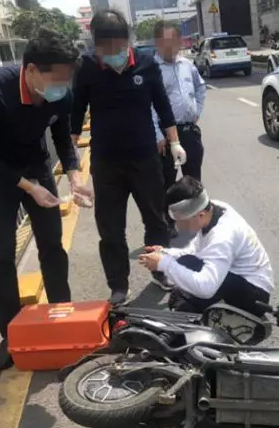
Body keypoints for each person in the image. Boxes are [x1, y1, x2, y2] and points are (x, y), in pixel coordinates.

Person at [0, 30, 92, 371]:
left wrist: (75, 176)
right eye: (57, 79)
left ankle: (61, 315)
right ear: (32, 70)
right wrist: (27, 187)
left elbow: (62, 139)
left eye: (67, 80)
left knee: (52, 245)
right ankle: (11, 336)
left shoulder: (60, 94)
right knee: (1, 257)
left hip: (36, 166)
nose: (63, 87)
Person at [71, 9, 187, 305]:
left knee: (156, 220)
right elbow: (75, 112)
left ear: (128, 41)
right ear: (96, 45)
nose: (114, 54)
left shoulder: (146, 64)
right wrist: (71, 162)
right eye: (106, 49)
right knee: (110, 229)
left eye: (119, 47)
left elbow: (162, 105)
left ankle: (160, 269)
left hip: (144, 158)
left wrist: (174, 141)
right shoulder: (87, 67)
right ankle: (118, 285)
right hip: (106, 163)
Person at [139, 177, 274, 317]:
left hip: (255, 295)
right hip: (239, 278)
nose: (177, 227)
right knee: (185, 274)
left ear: (200, 215)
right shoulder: (213, 208)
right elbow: (198, 251)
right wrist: (165, 253)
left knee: (186, 290)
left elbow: (206, 288)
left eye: (180, 221)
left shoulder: (223, 236)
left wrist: (164, 264)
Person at [151, 20, 208, 243]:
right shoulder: (152, 69)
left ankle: (197, 220)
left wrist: (197, 111)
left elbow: (200, 87)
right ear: (157, 42)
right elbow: (148, 105)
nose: (170, 46)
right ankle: (167, 223)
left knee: (193, 180)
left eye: (174, 40)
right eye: (165, 41)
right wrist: (158, 136)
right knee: (165, 183)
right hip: (165, 136)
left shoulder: (187, 64)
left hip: (189, 131)